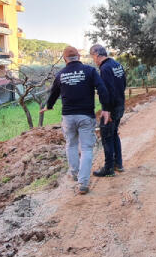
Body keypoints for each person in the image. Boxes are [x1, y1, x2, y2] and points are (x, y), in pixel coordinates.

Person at [41, 46, 110, 194]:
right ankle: (83, 183)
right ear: (78, 56)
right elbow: (102, 88)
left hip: (68, 117)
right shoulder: (90, 71)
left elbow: (54, 93)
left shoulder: (60, 74)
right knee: (86, 149)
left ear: (65, 59)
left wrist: (49, 106)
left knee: (71, 145)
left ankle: (74, 173)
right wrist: (106, 108)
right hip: (86, 116)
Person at [89, 44, 126, 176]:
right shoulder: (117, 65)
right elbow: (123, 84)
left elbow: (106, 91)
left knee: (106, 136)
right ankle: (118, 164)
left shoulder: (105, 69)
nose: (93, 60)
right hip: (120, 104)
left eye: (92, 57)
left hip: (111, 108)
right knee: (114, 133)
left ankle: (109, 168)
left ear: (96, 55)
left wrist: (106, 110)